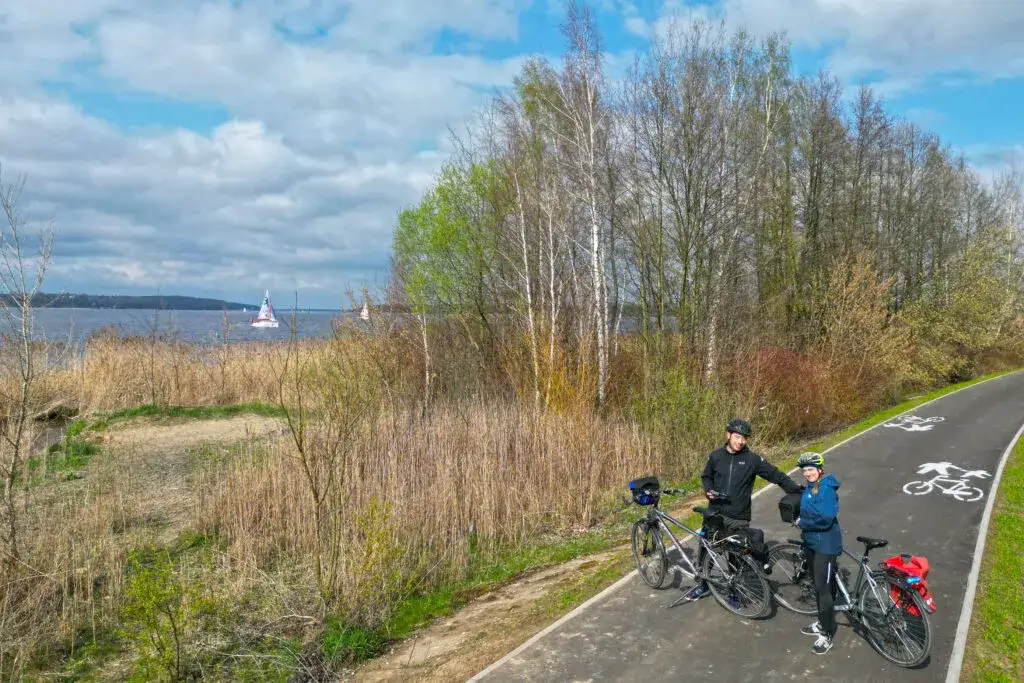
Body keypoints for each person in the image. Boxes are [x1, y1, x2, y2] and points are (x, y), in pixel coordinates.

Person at [682, 417, 803, 601]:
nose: (741, 441)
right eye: (737, 436)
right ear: (728, 435)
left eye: (744, 438)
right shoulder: (716, 456)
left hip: (738, 516)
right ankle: (703, 584)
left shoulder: (752, 460)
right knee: (706, 550)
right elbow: (706, 476)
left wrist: (797, 490)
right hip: (715, 513)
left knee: (735, 556)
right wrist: (709, 491)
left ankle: (735, 591)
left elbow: (776, 475)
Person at [795, 451, 842, 655]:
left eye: (811, 469)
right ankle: (823, 621)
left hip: (826, 545)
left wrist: (802, 523)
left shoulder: (826, 488)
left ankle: (827, 632)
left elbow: (826, 518)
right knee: (818, 585)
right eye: (805, 470)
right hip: (812, 542)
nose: (808, 473)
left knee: (823, 589)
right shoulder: (809, 488)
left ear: (820, 470)